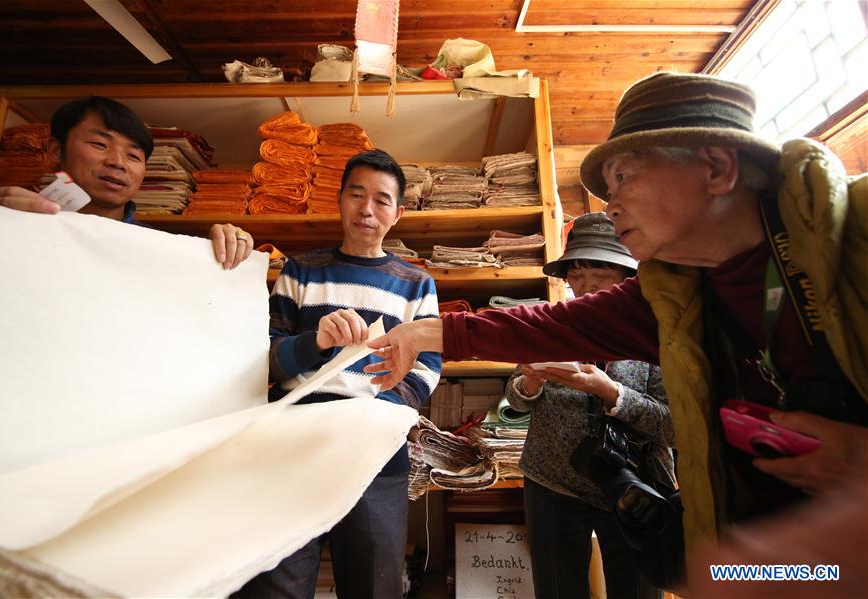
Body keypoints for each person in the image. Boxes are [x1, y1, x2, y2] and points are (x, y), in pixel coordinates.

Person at [364, 71, 868, 586]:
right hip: (781, 557)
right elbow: (548, 326)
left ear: (717, 167)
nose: (612, 204)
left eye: (624, 176)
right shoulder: (673, 295)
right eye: (607, 189)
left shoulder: (857, 238)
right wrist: (419, 334)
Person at [233, 149, 442, 599]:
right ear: (340, 200)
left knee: (374, 583)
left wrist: (379, 409)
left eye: (382, 200)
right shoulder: (300, 271)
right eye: (356, 195)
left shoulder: (416, 284)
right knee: (277, 583)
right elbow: (261, 360)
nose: (367, 209)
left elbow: (427, 367)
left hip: (374, 445)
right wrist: (316, 342)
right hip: (291, 439)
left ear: (398, 213)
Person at [506, 211, 674, 599]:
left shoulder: (657, 335)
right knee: (557, 589)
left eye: (600, 276)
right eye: (577, 277)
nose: (587, 288)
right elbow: (515, 399)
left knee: (638, 590)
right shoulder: (551, 324)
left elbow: (673, 426)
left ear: (627, 277)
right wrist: (530, 381)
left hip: (634, 484)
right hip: (551, 482)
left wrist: (613, 393)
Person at [0, 96, 253, 269]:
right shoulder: (12, 223)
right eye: (99, 144)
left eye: (133, 156)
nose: (118, 162)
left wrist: (224, 250)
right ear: (55, 150)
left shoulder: (158, 248)